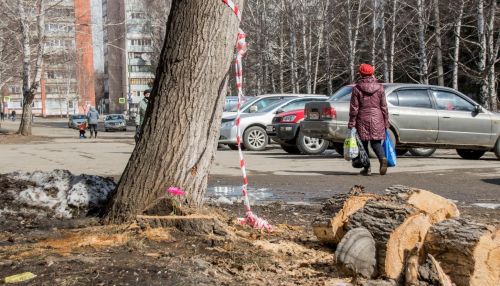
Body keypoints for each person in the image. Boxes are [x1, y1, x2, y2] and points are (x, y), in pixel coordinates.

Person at [348, 64, 389, 176]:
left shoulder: (357, 88)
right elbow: (384, 106)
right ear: (372, 73)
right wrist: (386, 121)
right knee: (376, 142)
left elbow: (354, 108)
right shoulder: (380, 87)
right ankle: (382, 159)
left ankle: (367, 168)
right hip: (377, 117)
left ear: (360, 73)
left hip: (362, 118)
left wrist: (351, 123)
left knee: (363, 144)